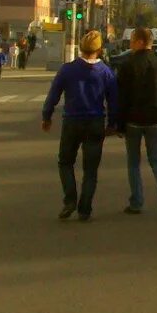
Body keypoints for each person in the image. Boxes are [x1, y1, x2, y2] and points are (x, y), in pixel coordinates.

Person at [41, 30, 118, 222]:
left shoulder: (67, 69)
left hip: (72, 121)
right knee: (90, 170)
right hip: (95, 122)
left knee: (65, 162)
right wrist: (113, 123)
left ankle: (70, 200)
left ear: (81, 48)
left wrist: (47, 116)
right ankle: (85, 208)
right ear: (100, 50)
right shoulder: (106, 72)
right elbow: (114, 101)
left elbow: (54, 94)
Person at [116, 27, 157, 217]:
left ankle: (136, 202)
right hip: (155, 119)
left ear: (141, 42)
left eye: (133, 40)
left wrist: (119, 123)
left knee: (133, 162)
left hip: (133, 120)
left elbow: (121, 96)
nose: (131, 44)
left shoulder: (127, 66)